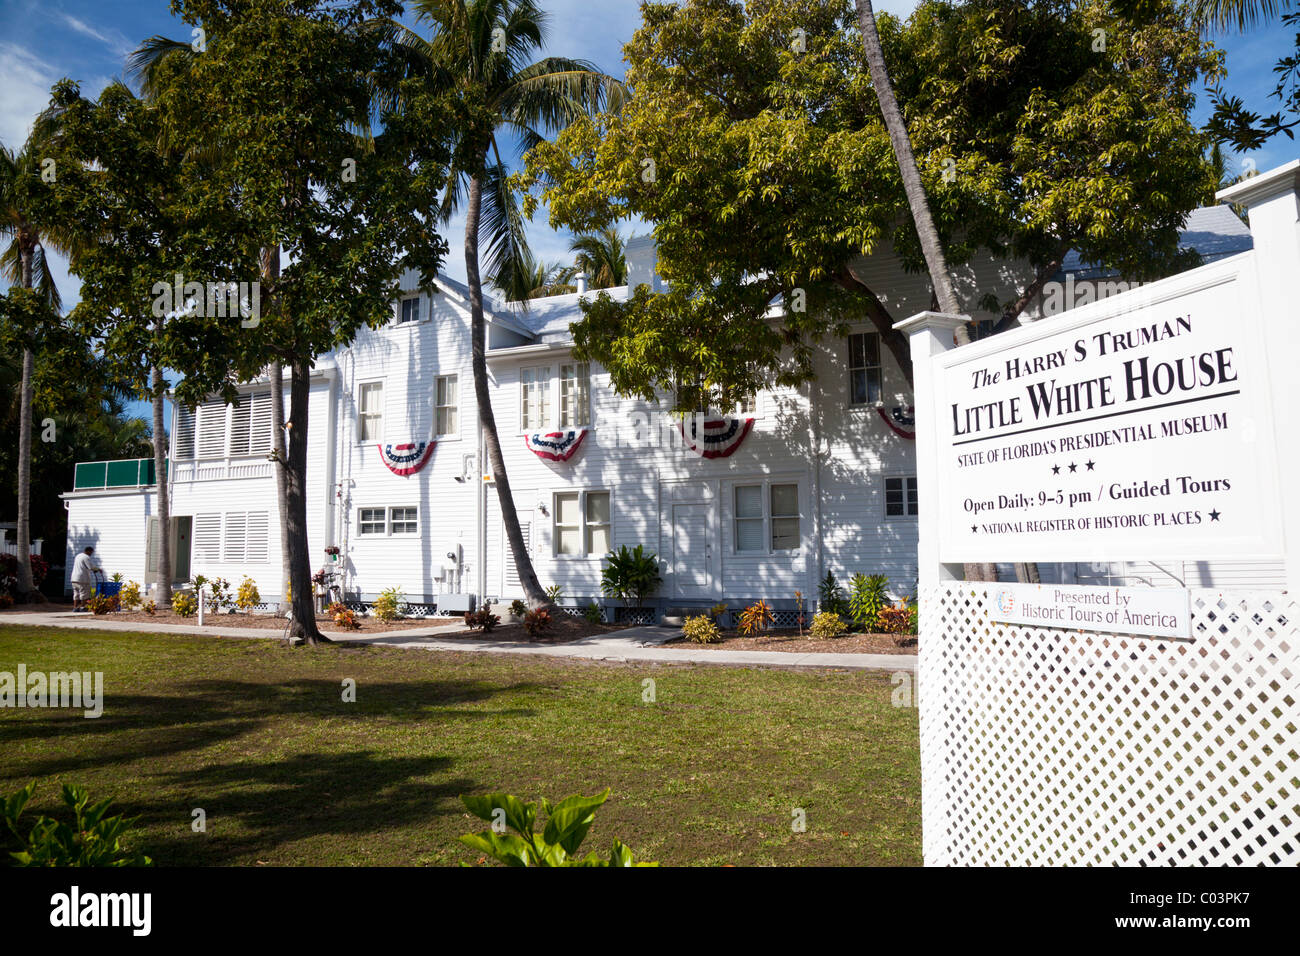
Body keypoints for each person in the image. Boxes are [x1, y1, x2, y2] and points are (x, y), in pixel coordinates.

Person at [70, 546, 101, 612]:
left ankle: (75, 608)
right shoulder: (86, 557)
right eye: (91, 552)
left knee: (76, 593)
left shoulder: (78, 556)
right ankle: (82, 607)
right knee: (83, 593)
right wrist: (98, 569)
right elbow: (90, 567)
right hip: (82, 578)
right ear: (88, 551)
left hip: (74, 578)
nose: (91, 554)